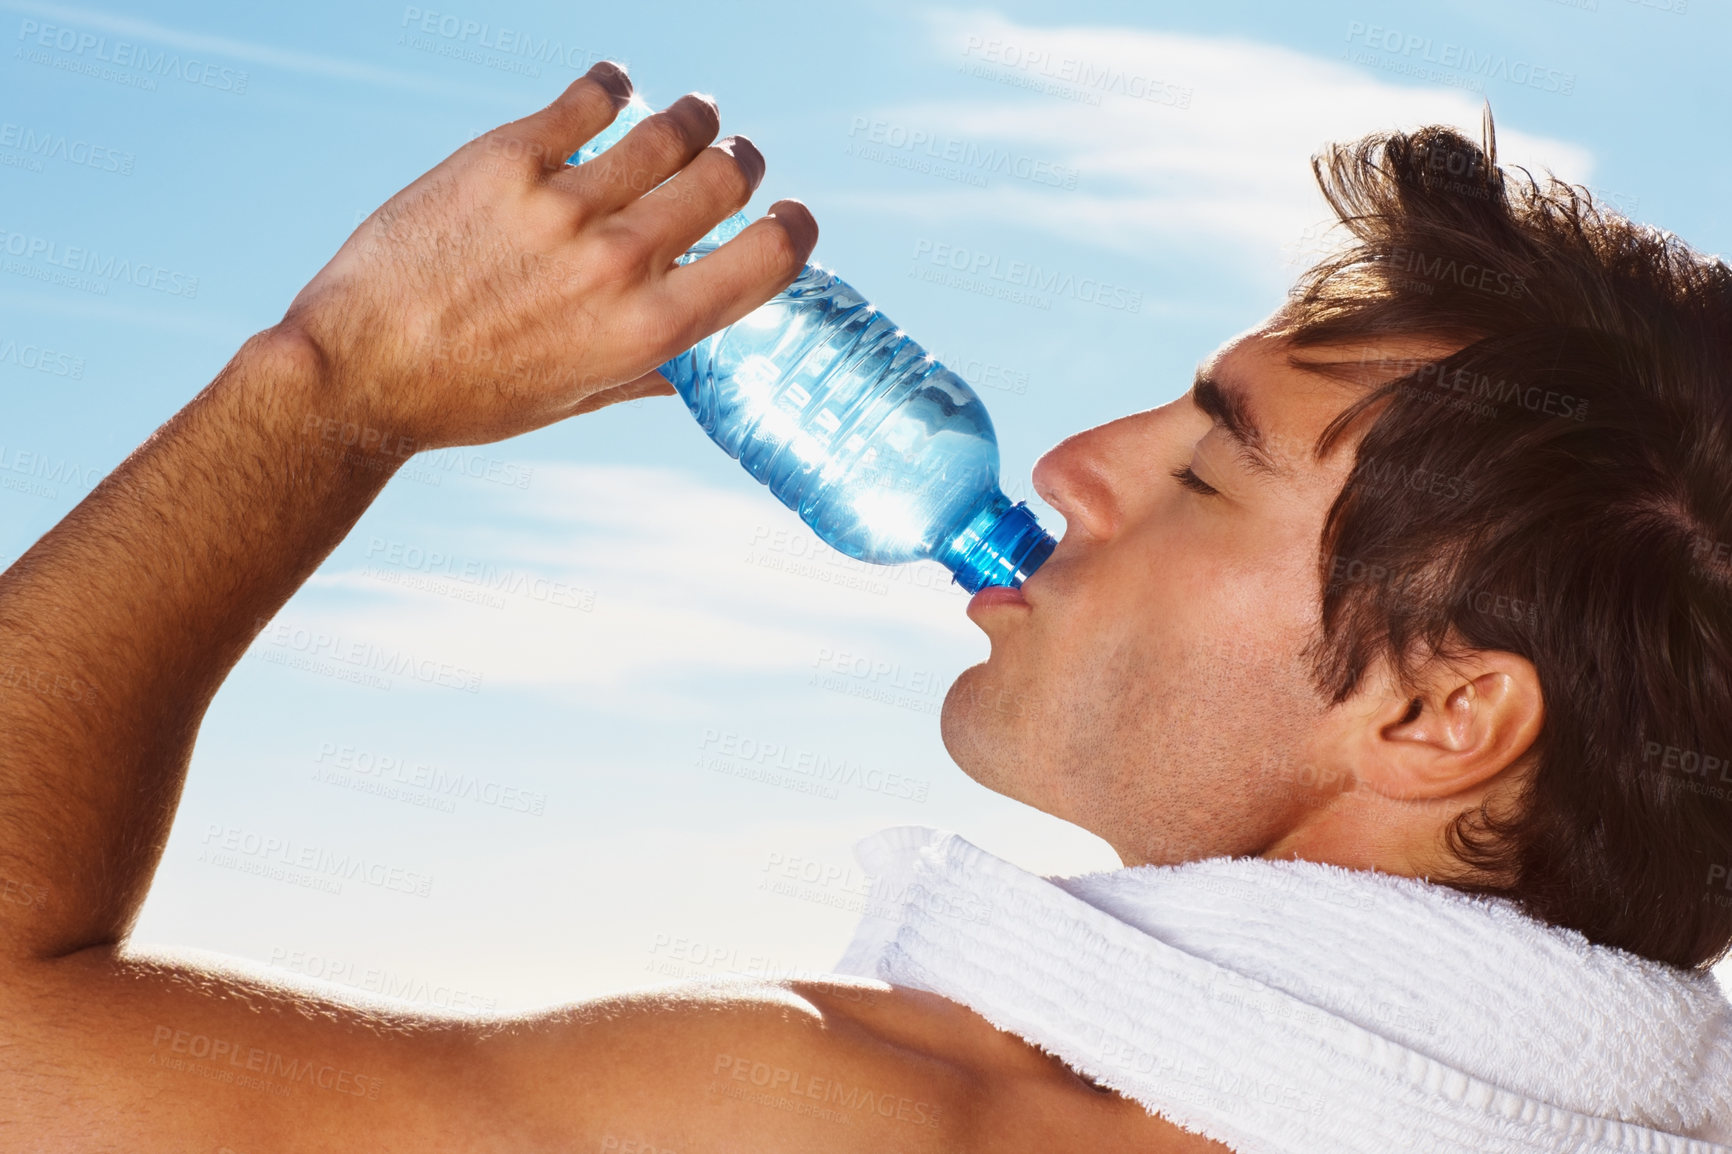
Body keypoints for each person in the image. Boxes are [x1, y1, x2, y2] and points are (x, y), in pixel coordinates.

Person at [0, 60, 1727, 1152]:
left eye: (1209, 474)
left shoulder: (851, 1120)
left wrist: (325, 391)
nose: (1065, 463)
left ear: (1440, 716)